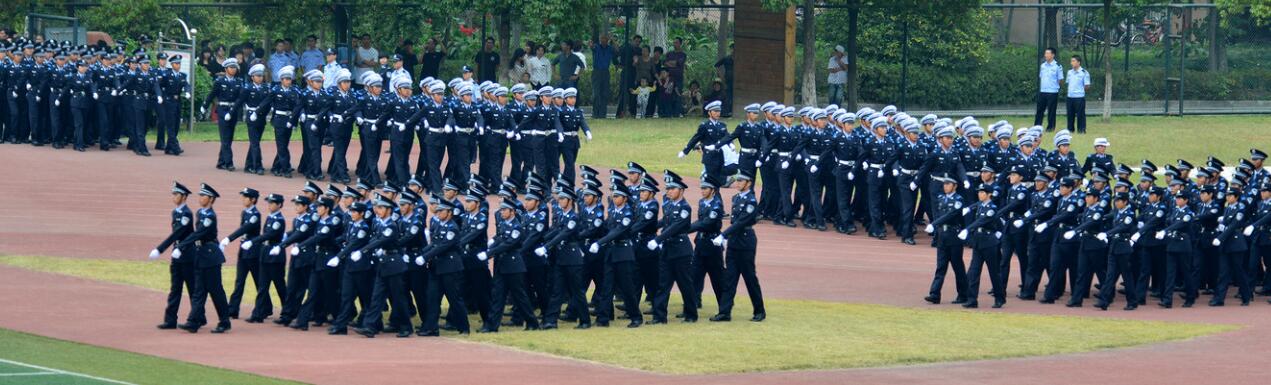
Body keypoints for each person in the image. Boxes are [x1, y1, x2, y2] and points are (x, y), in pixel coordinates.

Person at [710, 169, 766, 322]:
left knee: (749, 278)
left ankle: (759, 311)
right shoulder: (736, 198)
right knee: (730, 278)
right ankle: (724, 312)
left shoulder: (751, 201)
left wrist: (723, 235)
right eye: (737, 180)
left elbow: (742, 222)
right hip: (734, 241)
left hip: (746, 242)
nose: (737, 183)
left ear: (749, 183)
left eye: (741, 181)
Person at [177, 183, 232, 333]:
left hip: (210, 256)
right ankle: (193, 321)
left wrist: (181, 246)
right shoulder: (200, 213)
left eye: (203, 196)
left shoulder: (210, 216)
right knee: (199, 290)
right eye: (200, 195)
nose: (200, 198)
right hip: (201, 255)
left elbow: (199, 233)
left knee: (215, 291)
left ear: (211, 199)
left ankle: (224, 321)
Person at [649, 170, 699, 323]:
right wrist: (647, 228)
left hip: (680, 250)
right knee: (663, 284)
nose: (669, 191)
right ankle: (659, 316)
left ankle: (691, 314)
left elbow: (675, 227)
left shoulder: (685, 208)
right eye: (668, 189)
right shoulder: (669, 205)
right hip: (668, 250)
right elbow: (664, 222)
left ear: (681, 190)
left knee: (685, 284)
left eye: (672, 189)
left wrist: (658, 239)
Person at [150, 182, 196, 330]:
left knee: (193, 289)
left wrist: (160, 249)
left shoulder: (187, 214)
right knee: (175, 288)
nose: (174, 197)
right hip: (177, 256)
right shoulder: (175, 212)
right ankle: (170, 320)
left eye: (176, 194)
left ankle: (196, 318)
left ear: (183, 197)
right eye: (173, 194)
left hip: (188, 256)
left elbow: (178, 233)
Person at [923, 174, 968, 304]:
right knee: (941, 267)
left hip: (953, 236)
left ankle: (963, 294)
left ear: (955, 186)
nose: (945, 186)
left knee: (957, 267)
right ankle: (935, 294)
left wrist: (934, 224)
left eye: (948, 184)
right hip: (942, 236)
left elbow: (951, 215)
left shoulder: (959, 200)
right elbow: (938, 214)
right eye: (944, 184)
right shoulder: (941, 198)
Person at [243, 193, 287, 323]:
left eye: (272, 203)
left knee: (280, 286)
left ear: (279, 205)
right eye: (269, 202)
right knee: (262, 286)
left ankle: (288, 311)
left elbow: (269, 235)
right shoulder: (270, 217)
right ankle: (258, 313)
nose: (270, 205)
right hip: (265, 254)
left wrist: (253, 241)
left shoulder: (279, 219)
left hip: (275, 256)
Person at [221, 188, 262, 320]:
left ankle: (264, 307)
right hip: (243, 251)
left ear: (253, 200)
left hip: (253, 252)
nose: (243, 199)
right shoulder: (245, 213)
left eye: (246, 197)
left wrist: (229, 238)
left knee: (258, 282)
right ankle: (233, 309)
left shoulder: (255, 214)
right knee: (239, 281)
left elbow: (244, 229)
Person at [258, 65, 301, 177]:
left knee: (284, 145)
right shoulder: (275, 90)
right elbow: (266, 102)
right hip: (279, 120)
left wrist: (294, 122)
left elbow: (297, 107)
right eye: (286, 79)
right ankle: (285, 168)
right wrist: (256, 112)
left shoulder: (294, 91)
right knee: (282, 146)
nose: (288, 81)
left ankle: (276, 167)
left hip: (289, 120)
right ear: (281, 80)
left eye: (289, 79)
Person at [200, 57, 243, 170]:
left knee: (229, 138)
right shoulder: (219, 81)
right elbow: (212, 94)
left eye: (235, 67)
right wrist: (204, 106)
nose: (233, 69)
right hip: (222, 110)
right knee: (225, 137)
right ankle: (229, 163)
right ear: (225, 69)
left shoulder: (239, 82)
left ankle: (221, 161)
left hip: (232, 111)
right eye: (231, 67)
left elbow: (240, 98)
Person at [1035, 47, 1062, 132]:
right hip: (1043, 91)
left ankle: (1050, 128)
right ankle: (1037, 127)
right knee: (1039, 110)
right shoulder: (1042, 66)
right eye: (1045, 53)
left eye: (1047, 53)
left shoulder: (1057, 66)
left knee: (1051, 111)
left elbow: (1060, 79)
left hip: (1052, 92)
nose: (1045, 55)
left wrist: (1055, 86)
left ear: (1053, 55)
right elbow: (1041, 77)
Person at [616, 35, 643, 118]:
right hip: (625, 73)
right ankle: (619, 114)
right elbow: (618, 53)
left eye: (639, 42)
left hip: (634, 74)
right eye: (636, 41)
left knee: (633, 94)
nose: (637, 43)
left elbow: (638, 61)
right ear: (632, 40)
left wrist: (636, 62)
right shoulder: (625, 47)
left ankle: (632, 114)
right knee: (623, 93)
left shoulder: (639, 50)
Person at [589, 34, 615, 119]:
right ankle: (595, 113)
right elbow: (592, 47)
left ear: (607, 40)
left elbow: (617, 50)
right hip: (597, 72)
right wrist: (591, 45)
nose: (603, 40)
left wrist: (613, 41)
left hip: (605, 72)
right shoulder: (596, 47)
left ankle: (603, 114)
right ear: (600, 39)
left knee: (604, 93)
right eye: (602, 38)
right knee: (596, 93)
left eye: (605, 38)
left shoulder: (610, 48)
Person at [1064, 55, 1090, 134]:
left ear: (1078, 62)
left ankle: (1081, 130)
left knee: (1080, 115)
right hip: (1070, 97)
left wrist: (1080, 91)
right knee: (1070, 114)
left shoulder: (1084, 73)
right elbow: (1068, 83)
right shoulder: (1069, 72)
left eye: (1073, 61)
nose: (1072, 63)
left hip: (1079, 97)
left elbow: (1087, 85)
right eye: (1071, 61)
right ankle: (1070, 130)